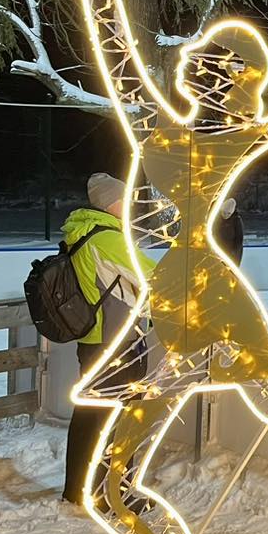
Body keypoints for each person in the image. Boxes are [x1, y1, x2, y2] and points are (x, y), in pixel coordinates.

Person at [60, 171, 155, 504]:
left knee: (91, 417)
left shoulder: (81, 234)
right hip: (118, 343)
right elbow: (154, 277)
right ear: (113, 203)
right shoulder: (108, 239)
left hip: (94, 341)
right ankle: (115, 495)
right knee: (119, 422)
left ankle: (78, 491)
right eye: (126, 200)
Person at [212, 196, 244, 266]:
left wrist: (234, 256)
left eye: (228, 213)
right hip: (217, 252)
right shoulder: (215, 219)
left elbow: (239, 240)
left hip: (231, 254)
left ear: (232, 212)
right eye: (224, 212)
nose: (225, 215)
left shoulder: (236, 221)